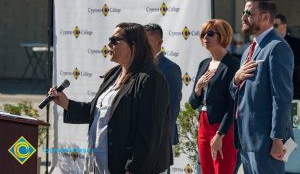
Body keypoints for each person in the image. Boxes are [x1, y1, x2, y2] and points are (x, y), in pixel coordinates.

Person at [48, 22, 170, 174]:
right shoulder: (114, 74)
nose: (109, 44)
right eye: (109, 39)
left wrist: (133, 168)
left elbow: (149, 134)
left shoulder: (151, 78)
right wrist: (67, 103)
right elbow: (98, 112)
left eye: (114, 40)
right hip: (100, 165)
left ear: (134, 45)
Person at [230, 0, 294, 174]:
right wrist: (236, 79)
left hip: (266, 142)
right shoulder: (249, 50)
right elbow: (236, 92)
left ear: (266, 18)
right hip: (246, 139)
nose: (243, 17)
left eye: (249, 13)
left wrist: (277, 138)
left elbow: (281, 98)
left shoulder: (277, 47)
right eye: (243, 12)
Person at [189, 19, 239, 174]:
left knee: (222, 170)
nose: (205, 37)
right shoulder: (204, 64)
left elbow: (233, 105)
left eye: (210, 33)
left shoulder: (232, 65)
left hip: (223, 126)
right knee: (207, 170)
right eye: (204, 33)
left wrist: (220, 134)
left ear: (222, 36)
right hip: (203, 123)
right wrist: (198, 89)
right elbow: (192, 103)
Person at [144, 23, 183, 173]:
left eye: (147, 41)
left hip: (159, 143)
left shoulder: (170, 69)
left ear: (160, 42)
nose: (143, 46)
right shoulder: (137, 66)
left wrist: (161, 141)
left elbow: (172, 108)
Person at [274, 14, 300, 99]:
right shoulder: (269, 44)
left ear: (284, 25)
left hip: (294, 90)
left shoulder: (296, 43)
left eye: (275, 25)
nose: (272, 29)